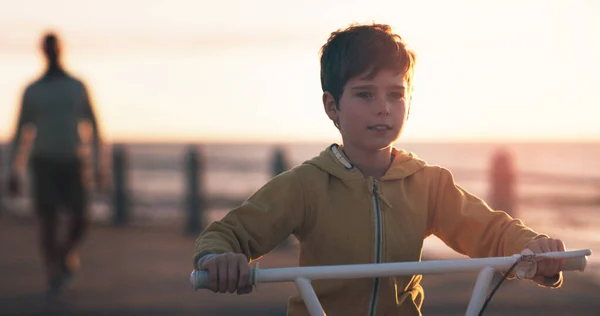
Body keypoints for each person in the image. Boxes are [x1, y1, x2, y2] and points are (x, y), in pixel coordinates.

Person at [192, 23, 566, 316]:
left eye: (395, 94)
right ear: (332, 106)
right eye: (365, 94)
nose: (383, 107)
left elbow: (491, 230)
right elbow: (231, 233)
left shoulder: (428, 184)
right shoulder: (306, 185)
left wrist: (535, 249)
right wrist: (219, 259)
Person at [5, 32, 107, 297]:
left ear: (60, 50)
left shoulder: (76, 86)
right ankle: (52, 273)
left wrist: (99, 164)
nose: (51, 52)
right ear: (43, 51)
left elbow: (94, 126)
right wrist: (13, 170)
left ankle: (63, 255)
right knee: (48, 221)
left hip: (74, 160)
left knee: (81, 219)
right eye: (46, 48)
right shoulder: (33, 90)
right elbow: (20, 132)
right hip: (43, 161)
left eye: (54, 47)